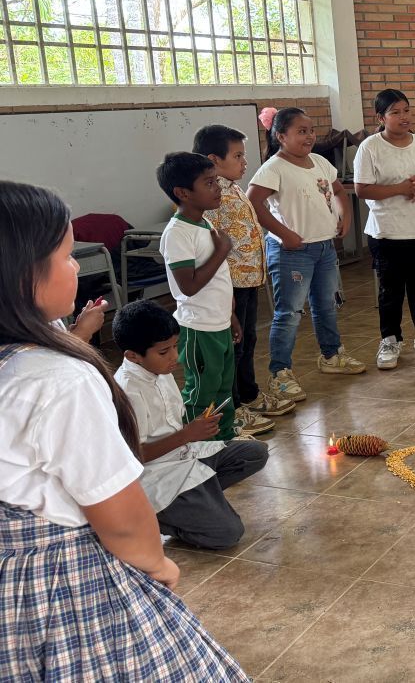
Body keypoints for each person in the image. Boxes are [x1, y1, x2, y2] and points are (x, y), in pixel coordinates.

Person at [0, 179, 249, 680]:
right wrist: (156, 563)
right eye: (67, 256)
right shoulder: (58, 379)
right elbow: (117, 509)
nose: (77, 268)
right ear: (23, 275)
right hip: (64, 578)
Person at [113, 299, 268, 549]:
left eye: (175, 346)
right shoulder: (128, 392)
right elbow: (133, 456)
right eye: (164, 352)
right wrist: (187, 434)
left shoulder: (159, 371)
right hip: (157, 474)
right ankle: (154, 515)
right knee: (228, 534)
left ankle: (197, 500)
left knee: (255, 453)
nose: (175, 357)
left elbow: (174, 422)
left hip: (184, 455)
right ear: (133, 356)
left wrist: (195, 429)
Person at [248, 107, 365, 402]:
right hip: (292, 252)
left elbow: (339, 191)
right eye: (301, 131)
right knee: (289, 313)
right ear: (281, 136)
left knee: (326, 305)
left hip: (323, 247)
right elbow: (254, 202)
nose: (310, 136)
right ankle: (280, 373)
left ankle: (331, 355)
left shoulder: (320, 162)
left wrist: (345, 217)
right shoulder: (274, 168)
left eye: (311, 130)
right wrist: (284, 233)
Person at [194, 123, 293, 436]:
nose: (244, 162)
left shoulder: (232, 187)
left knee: (248, 341)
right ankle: (234, 407)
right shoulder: (212, 196)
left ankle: (249, 394)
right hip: (230, 284)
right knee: (232, 349)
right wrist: (225, 292)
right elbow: (212, 245)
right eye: (237, 156)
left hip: (248, 280)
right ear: (214, 159)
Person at [353, 89, 415, 369]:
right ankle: (390, 340)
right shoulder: (370, 147)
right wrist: (401, 189)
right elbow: (362, 189)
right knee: (390, 290)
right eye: (395, 112)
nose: (403, 117)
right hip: (387, 230)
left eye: (406, 110)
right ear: (381, 118)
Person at [156, 152, 241, 442]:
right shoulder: (177, 233)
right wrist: (222, 251)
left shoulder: (204, 223)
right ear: (183, 193)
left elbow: (218, 281)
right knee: (202, 392)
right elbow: (188, 286)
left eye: (216, 181)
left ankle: (224, 440)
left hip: (219, 323)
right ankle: (195, 446)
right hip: (199, 328)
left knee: (223, 388)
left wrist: (230, 316)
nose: (217, 188)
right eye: (209, 183)